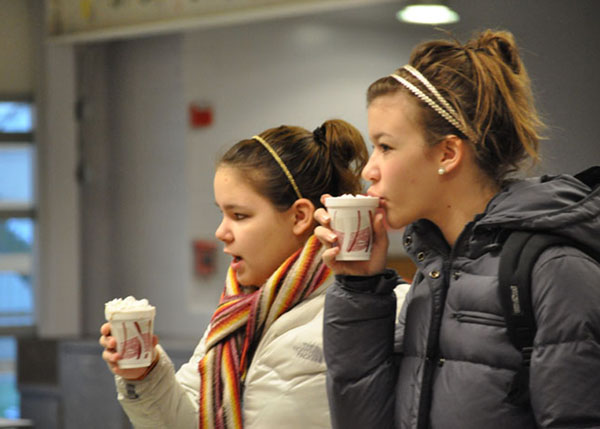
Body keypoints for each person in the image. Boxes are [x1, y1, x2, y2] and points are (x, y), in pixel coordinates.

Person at [314, 29, 600, 429]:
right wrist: (359, 289)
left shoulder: (556, 270)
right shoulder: (434, 275)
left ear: (447, 153)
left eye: (386, 147)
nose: (368, 170)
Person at [99, 119, 368, 428]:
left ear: (299, 216)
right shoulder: (235, 314)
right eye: (222, 213)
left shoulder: (363, 309)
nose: (221, 232)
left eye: (239, 215)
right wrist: (144, 374)